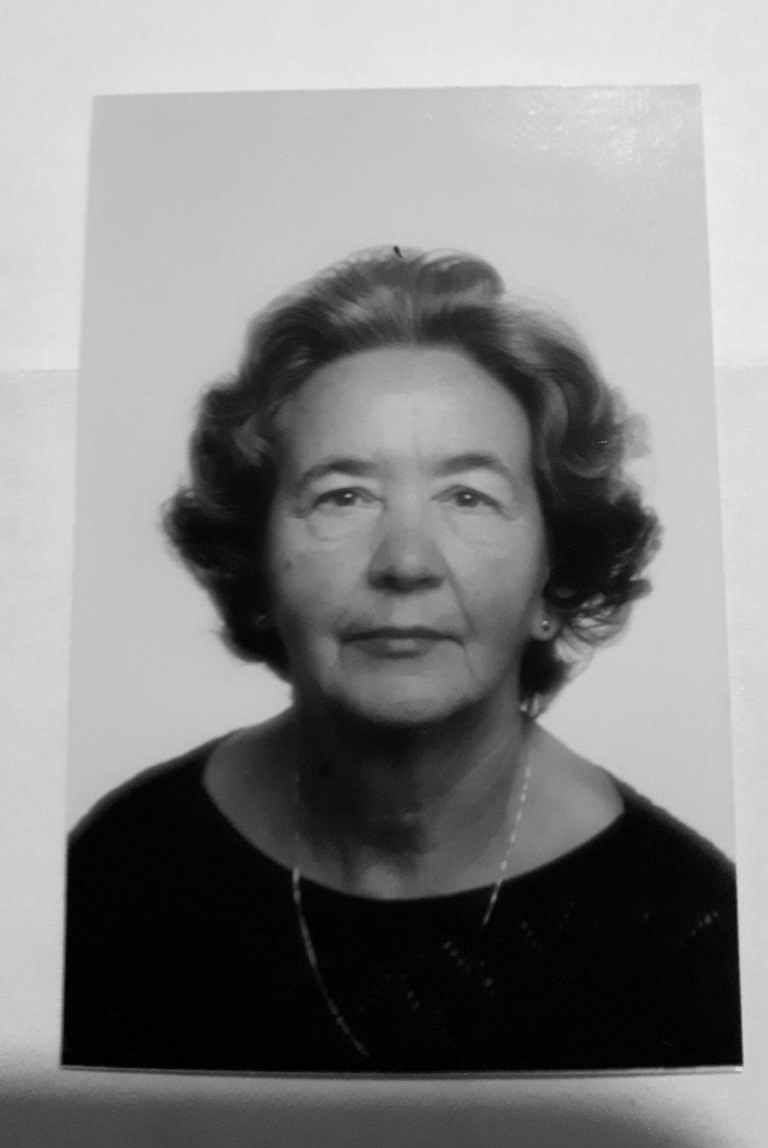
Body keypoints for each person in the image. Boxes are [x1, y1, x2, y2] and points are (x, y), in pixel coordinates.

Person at [62, 247, 741, 1074]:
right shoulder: (121, 872)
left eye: (469, 496)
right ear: (256, 557)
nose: (406, 561)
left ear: (554, 575)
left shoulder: (692, 928)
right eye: (343, 495)